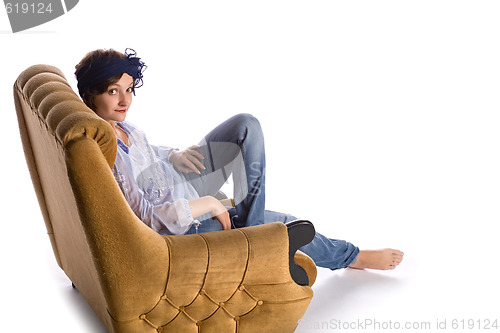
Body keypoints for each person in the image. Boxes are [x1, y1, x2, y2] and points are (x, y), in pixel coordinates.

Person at [75, 48, 404, 271]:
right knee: (286, 223)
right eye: (113, 91)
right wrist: (211, 204)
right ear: (89, 94)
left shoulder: (120, 127)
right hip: (181, 223)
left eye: (129, 89)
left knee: (245, 125)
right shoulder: (107, 150)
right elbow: (148, 220)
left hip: (176, 182)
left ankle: (250, 223)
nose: (124, 100)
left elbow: (148, 151)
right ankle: (353, 257)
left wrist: (173, 155)